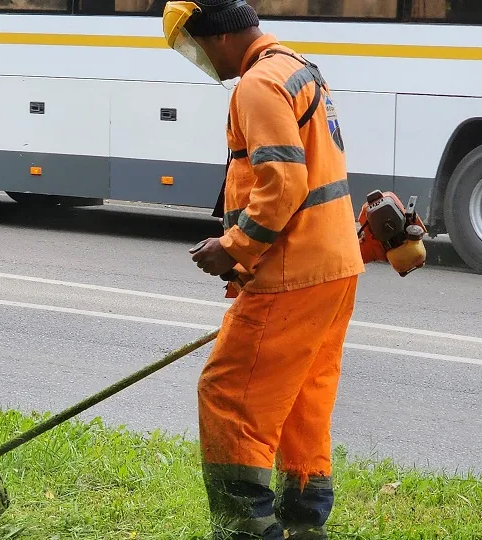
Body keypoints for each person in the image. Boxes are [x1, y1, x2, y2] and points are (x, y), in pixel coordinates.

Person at [162, 1, 366, 538]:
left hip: (291, 273)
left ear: (220, 37)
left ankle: (245, 527)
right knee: (301, 399)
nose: (202, 60)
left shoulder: (257, 84)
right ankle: (305, 525)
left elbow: (283, 183)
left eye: (197, 47)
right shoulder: (298, 69)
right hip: (335, 267)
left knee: (230, 393)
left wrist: (233, 248)